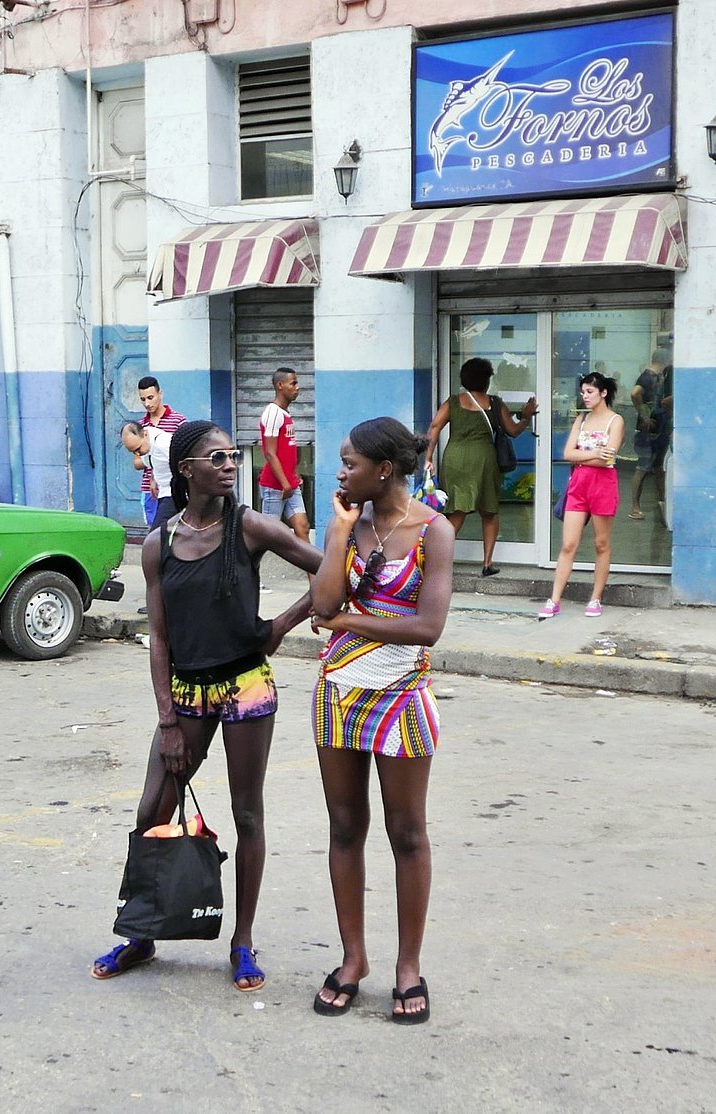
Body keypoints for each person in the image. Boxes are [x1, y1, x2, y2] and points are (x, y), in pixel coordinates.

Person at [90, 420, 322, 992]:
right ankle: (141, 933)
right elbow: (162, 638)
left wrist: (279, 628)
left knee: (248, 815)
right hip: (188, 694)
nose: (228, 464)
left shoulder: (250, 526)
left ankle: (242, 942)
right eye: (215, 457)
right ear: (185, 469)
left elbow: (330, 571)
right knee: (151, 812)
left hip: (246, 686)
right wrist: (168, 718)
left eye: (231, 456)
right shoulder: (158, 543)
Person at [306, 417, 451, 1022]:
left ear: (384, 468)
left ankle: (408, 967)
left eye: (350, 464)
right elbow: (321, 605)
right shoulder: (350, 524)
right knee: (345, 827)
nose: (341, 473)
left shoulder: (433, 532)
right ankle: (353, 958)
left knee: (407, 833)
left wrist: (349, 623)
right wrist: (339, 534)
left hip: (401, 698)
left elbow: (427, 628)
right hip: (338, 694)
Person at [422, 358, 538, 575]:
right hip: (484, 460)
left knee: (456, 511)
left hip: (455, 459)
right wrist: (526, 417)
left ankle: (432, 561)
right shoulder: (494, 403)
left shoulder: (453, 402)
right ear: (487, 380)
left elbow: (435, 426)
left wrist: (428, 458)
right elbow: (512, 430)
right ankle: (487, 564)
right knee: (489, 511)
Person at [540, 373, 627, 619]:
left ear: (603, 393)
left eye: (589, 392)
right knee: (568, 544)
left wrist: (586, 454)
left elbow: (608, 459)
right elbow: (568, 453)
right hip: (578, 485)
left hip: (603, 486)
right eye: (583, 392)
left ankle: (595, 598)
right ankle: (554, 598)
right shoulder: (582, 419)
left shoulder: (615, 421)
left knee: (601, 543)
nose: (585, 397)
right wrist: (594, 454)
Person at [258, 368, 310, 541]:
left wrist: (292, 478)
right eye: (293, 383)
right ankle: (251, 567)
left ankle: (315, 569)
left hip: (289, 484)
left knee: (303, 527)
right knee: (269, 536)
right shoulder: (272, 413)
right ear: (280, 385)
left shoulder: (284, 413)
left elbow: (285, 450)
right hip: (275, 486)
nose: (297, 388)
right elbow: (270, 453)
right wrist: (284, 484)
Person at [129, 376, 185, 530]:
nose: (147, 403)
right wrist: (154, 464)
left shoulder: (178, 421)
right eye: (143, 399)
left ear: (160, 394)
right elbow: (137, 462)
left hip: (173, 488)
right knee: (153, 533)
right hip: (150, 489)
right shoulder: (140, 427)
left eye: (150, 397)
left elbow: (183, 456)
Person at [629, 349, 673, 521]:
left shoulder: (660, 377)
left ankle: (662, 502)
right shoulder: (648, 376)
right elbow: (635, 393)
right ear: (665, 359)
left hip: (658, 430)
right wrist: (645, 415)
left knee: (658, 468)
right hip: (648, 432)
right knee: (642, 467)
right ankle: (635, 507)